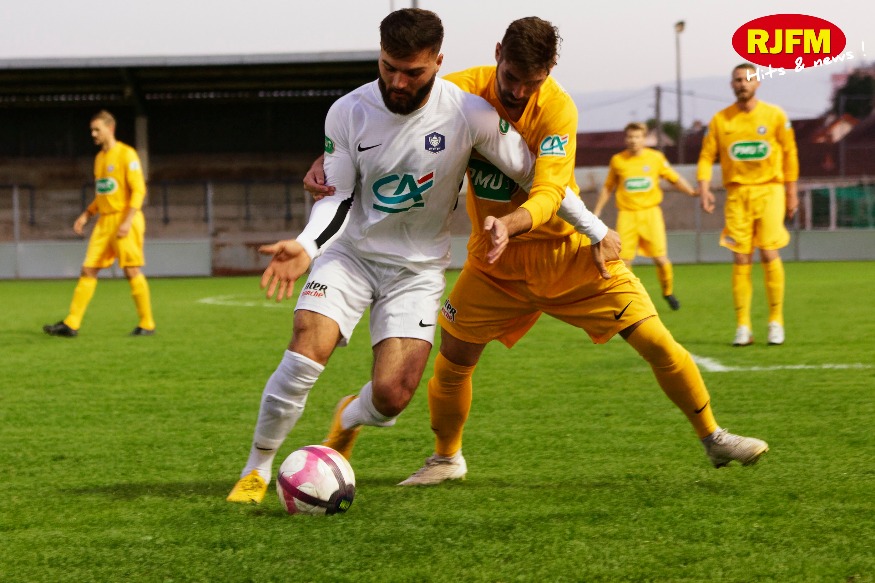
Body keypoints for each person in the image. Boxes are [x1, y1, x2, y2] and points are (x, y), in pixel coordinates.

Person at [307, 17, 769, 487]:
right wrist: (328, 159)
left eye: (533, 82)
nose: (520, 92)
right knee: (454, 359)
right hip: (495, 266)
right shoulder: (458, 93)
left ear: (549, 72)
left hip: (570, 255)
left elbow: (550, 191)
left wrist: (511, 223)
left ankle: (713, 437)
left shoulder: (557, 110)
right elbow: (388, 123)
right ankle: (446, 458)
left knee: (657, 342)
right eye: (511, 77)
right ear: (497, 54)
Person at [227, 8, 602, 504]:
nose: (398, 82)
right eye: (388, 67)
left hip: (417, 271)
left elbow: (540, 177)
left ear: (438, 62)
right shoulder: (347, 111)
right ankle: (256, 470)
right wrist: (306, 245)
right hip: (351, 255)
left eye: (413, 71)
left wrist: (596, 230)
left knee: (392, 397)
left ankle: (348, 417)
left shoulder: (471, 114)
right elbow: (338, 196)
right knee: (305, 351)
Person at [697, 63, 799, 346]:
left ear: (758, 83)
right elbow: (706, 156)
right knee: (741, 257)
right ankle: (743, 326)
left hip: (770, 191)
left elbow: (790, 154)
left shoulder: (775, 115)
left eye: (747, 79)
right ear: (732, 85)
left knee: (768, 252)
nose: (743, 83)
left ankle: (776, 322)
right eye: (738, 80)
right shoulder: (721, 120)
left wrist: (792, 192)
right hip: (737, 195)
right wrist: (704, 188)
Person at [43, 110, 156, 338]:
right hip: (104, 222)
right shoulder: (100, 159)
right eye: (92, 130)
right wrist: (87, 214)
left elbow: (139, 190)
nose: (93, 134)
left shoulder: (126, 154)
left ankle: (147, 323)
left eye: (97, 129)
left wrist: (127, 221)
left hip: (126, 219)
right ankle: (71, 323)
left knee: (131, 270)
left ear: (110, 128)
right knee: (88, 269)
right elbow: (104, 193)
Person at [593, 121, 698, 311]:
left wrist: (691, 191)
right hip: (627, 215)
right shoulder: (618, 160)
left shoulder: (655, 158)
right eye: (630, 137)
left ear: (644, 139)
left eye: (637, 137)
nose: (633, 140)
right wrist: (598, 209)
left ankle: (668, 292)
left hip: (651, 214)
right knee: (624, 261)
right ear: (626, 139)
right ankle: (629, 298)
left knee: (661, 259)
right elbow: (608, 187)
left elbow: (674, 178)